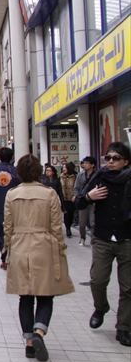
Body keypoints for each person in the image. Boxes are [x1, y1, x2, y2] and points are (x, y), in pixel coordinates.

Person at [4, 154, 75, 362]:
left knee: (25, 297)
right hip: (43, 244)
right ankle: (39, 332)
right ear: (39, 171)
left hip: (19, 244)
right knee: (46, 294)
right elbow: (56, 225)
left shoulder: (12, 194)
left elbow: (8, 226)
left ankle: (29, 344)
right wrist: (60, 246)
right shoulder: (49, 193)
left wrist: (7, 247)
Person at [75, 142, 131, 347]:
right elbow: (79, 202)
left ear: (126, 162)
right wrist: (89, 197)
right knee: (98, 281)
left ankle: (123, 328)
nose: (111, 162)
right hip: (102, 238)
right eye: (108, 158)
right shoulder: (99, 177)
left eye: (116, 158)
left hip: (127, 238)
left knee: (128, 288)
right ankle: (101, 307)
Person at [74, 156, 97, 245]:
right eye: (84, 163)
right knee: (82, 222)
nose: (85, 164)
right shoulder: (80, 175)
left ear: (92, 165)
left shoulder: (97, 175)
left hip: (94, 201)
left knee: (92, 222)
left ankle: (93, 239)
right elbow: (76, 188)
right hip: (83, 201)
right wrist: (77, 197)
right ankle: (82, 237)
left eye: (87, 163)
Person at [60, 162, 77, 238]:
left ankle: (70, 225)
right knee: (66, 214)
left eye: (65, 167)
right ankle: (68, 229)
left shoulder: (74, 177)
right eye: (63, 167)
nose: (64, 169)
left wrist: (75, 195)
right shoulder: (61, 177)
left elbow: (76, 187)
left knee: (71, 214)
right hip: (64, 198)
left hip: (72, 198)